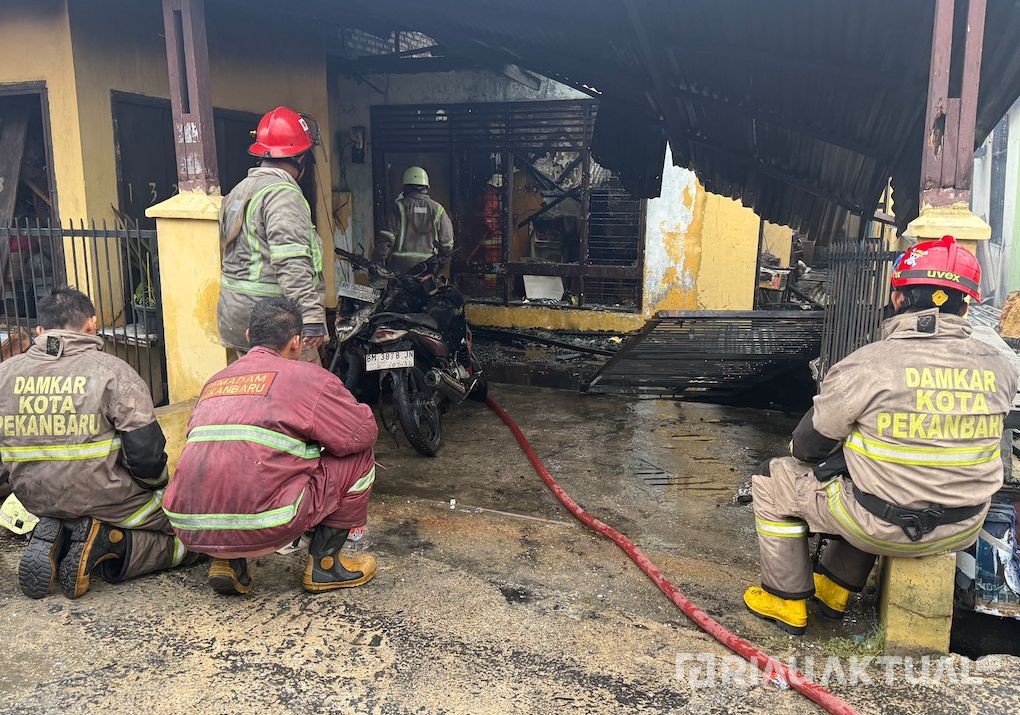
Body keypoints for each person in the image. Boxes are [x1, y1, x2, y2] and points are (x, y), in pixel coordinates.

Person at [744, 235, 1020, 634]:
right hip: (963, 527)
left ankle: (785, 600)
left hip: (882, 526)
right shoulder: (1003, 365)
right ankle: (833, 589)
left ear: (897, 299)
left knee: (777, 478)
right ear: (966, 305)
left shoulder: (869, 364)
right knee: (867, 476)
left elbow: (807, 446)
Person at [163, 297, 379, 595]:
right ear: (296, 342)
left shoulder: (215, 381)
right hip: (267, 521)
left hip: (190, 523)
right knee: (359, 456)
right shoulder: (308, 377)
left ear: (249, 336)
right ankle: (326, 566)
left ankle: (227, 561)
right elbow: (362, 432)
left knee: (233, 459)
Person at [3, 288, 198, 599]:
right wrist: (157, 488)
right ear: (91, 324)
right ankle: (111, 543)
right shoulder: (112, 373)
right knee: (192, 536)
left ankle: (64, 536)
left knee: (71, 512)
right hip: (108, 498)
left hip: (35, 499)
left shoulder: (5, 374)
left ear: (40, 331)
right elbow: (147, 457)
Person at [218, 106, 325, 365]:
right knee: (307, 395)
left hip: (236, 318)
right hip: (275, 325)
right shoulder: (282, 194)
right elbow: (291, 261)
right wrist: (310, 317)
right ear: (300, 157)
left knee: (256, 391)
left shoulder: (239, 191)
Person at [373, 166, 454, 274]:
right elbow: (447, 243)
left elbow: (386, 237)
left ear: (405, 187)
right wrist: (442, 265)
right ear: (426, 187)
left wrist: (376, 263)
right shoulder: (438, 209)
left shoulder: (399, 206)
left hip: (401, 267)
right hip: (428, 267)